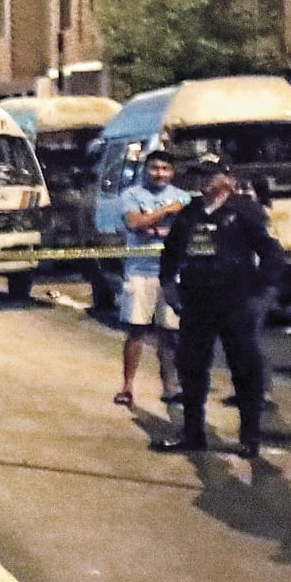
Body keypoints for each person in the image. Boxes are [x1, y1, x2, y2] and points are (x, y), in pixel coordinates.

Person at [156, 155, 281, 458]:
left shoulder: (245, 210)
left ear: (226, 178)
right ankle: (192, 432)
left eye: (209, 175)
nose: (203, 181)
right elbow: (171, 253)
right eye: (200, 176)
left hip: (236, 301)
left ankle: (249, 438)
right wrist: (169, 285)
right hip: (197, 302)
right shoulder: (191, 213)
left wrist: (261, 291)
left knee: (244, 368)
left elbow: (271, 252)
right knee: (191, 367)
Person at [113, 150, 192, 409]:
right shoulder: (132, 195)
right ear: (145, 170)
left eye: (165, 169)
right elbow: (135, 223)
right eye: (154, 168)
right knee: (136, 330)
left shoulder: (184, 197)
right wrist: (166, 211)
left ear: (172, 172)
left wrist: (155, 229)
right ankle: (127, 386)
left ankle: (171, 386)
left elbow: (186, 232)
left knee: (170, 333)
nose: (159, 173)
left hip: (171, 273)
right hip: (139, 271)